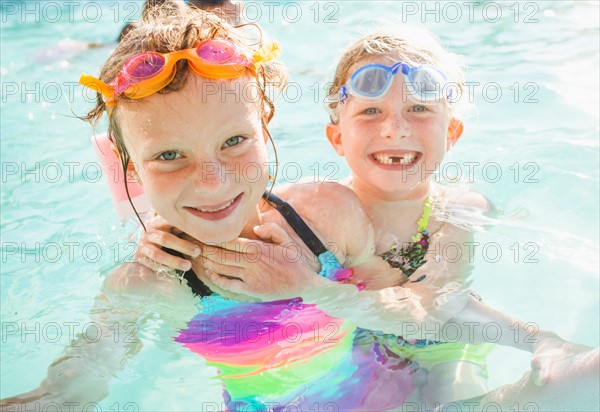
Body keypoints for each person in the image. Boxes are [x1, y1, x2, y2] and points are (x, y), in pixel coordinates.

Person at [0, 5, 476, 410]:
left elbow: (408, 318)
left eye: (234, 142)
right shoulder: (147, 283)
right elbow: (83, 375)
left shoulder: (327, 216)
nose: (213, 180)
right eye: (169, 156)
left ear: (265, 130)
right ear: (131, 175)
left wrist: (309, 286)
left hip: (394, 392)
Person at [135, 24, 600, 409]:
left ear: (452, 133)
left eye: (419, 110)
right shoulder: (314, 213)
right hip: (355, 342)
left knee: (452, 393)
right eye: (371, 111)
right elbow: (222, 213)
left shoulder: (457, 211)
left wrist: (542, 340)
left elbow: (437, 312)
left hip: (443, 343)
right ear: (337, 139)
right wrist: (167, 233)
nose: (394, 128)